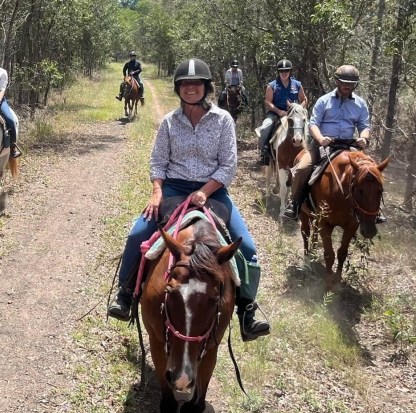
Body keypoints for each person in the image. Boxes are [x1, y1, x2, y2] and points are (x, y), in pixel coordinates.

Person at [107, 58, 270, 342]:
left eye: (196, 84)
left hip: (214, 191)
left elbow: (228, 165)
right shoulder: (170, 122)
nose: (191, 88)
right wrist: (157, 191)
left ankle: (247, 311)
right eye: (185, 84)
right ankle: (126, 295)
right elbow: (158, 162)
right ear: (178, 88)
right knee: (137, 235)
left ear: (206, 87)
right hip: (174, 189)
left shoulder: (223, 120)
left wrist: (205, 191)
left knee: (250, 250)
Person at [283, 65, 381, 221]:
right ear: (336, 81)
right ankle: (294, 203)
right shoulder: (324, 101)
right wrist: (321, 138)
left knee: (373, 172)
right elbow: (313, 123)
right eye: (343, 82)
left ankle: (375, 210)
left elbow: (364, 126)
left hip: (349, 145)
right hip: (323, 144)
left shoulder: (360, 104)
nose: (347, 86)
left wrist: (364, 137)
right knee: (302, 168)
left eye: (351, 83)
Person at [256, 59, 308, 166]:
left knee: (310, 127)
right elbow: (267, 101)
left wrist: (298, 108)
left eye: (286, 71)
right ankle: (264, 153)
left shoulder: (297, 84)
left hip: (294, 114)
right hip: (276, 113)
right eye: (282, 71)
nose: (284, 73)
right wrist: (278, 111)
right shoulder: (272, 85)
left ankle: (311, 151)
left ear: (290, 72)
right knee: (266, 127)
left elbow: (304, 99)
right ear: (278, 72)